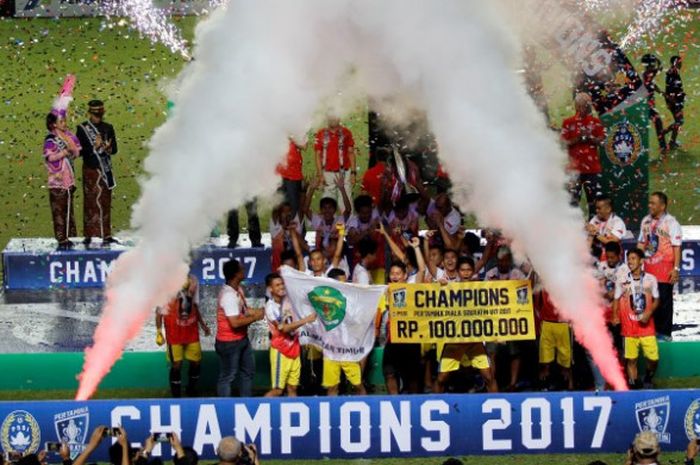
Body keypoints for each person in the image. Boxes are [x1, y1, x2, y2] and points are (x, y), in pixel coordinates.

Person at [215, 259, 265, 397]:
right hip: (229, 343)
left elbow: (245, 311)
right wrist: (255, 317)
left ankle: (246, 403)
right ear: (236, 274)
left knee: (248, 371)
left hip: (241, 339)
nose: (244, 270)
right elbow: (235, 323)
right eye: (241, 269)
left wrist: (260, 311)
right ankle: (224, 409)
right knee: (228, 377)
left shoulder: (238, 290)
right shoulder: (229, 296)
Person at [155, 275, 210, 397]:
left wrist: (203, 324)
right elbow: (159, 312)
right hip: (174, 333)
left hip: (191, 331)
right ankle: (176, 395)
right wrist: (159, 331)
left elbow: (195, 306)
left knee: (196, 362)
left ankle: (191, 389)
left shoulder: (194, 281)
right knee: (177, 365)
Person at [637, 192, 682, 340]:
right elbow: (641, 243)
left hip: (664, 272)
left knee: (663, 303)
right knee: (648, 302)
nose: (650, 205)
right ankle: (651, 333)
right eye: (649, 203)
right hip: (648, 272)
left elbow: (676, 247)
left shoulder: (671, 223)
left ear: (662, 206)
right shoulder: (645, 221)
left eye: (653, 203)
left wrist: (675, 269)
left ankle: (665, 335)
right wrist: (637, 262)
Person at [263, 273, 316, 397]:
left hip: (294, 349)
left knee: (293, 388)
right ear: (270, 289)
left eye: (282, 284)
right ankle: (260, 410)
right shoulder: (270, 307)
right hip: (280, 351)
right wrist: (306, 320)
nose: (281, 287)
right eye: (277, 285)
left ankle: (293, 416)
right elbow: (284, 328)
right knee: (278, 390)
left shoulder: (289, 300)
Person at [613, 248, 659, 389]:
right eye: (629, 259)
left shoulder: (651, 279)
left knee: (653, 359)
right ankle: (634, 386)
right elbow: (616, 299)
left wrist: (648, 313)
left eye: (633, 258)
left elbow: (656, 299)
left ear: (641, 261)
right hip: (629, 328)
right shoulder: (622, 280)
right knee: (631, 359)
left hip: (647, 328)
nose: (630, 261)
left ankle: (648, 377)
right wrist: (615, 315)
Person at [75, 100, 118, 248]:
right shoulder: (82, 129)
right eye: (95, 114)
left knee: (105, 202)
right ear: (90, 114)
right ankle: (89, 235)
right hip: (90, 170)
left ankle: (106, 234)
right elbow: (80, 152)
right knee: (90, 203)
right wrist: (95, 146)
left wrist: (107, 148)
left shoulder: (108, 128)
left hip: (105, 170)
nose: (97, 116)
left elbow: (114, 150)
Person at [323, 269, 367, 396]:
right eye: (343, 282)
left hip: (348, 350)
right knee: (332, 387)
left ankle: (366, 413)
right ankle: (331, 415)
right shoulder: (323, 301)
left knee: (358, 385)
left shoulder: (352, 301)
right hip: (330, 351)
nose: (346, 284)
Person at [561, 93, 605, 218]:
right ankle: (574, 229)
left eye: (588, 104)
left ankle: (593, 228)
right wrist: (578, 138)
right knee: (573, 202)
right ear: (576, 105)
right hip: (574, 169)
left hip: (592, 169)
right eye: (583, 104)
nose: (586, 107)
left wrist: (590, 137)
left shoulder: (595, 122)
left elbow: (601, 141)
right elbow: (564, 143)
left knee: (594, 202)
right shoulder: (568, 122)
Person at [44, 111, 81, 250]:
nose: (65, 123)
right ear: (54, 124)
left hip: (69, 179)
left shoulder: (69, 136)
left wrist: (71, 146)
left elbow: (77, 152)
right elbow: (49, 157)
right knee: (59, 212)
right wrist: (63, 153)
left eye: (65, 121)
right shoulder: (50, 139)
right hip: (57, 181)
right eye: (61, 121)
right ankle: (62, 239)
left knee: (69, 211)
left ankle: (71, 237)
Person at [535, 286, 573, 391]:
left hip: (563, 322)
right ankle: (544, 386)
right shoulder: (543, 279)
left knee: (566, 360)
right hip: (547, 322)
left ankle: (568, 387)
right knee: (544, 360)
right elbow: (537, 302)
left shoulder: (567, 280)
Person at [314, 116, 357, 201]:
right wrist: (320, 174)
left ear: (339, 118)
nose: (332, 119)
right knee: (327, 202)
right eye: (330, 116)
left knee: (346, 201)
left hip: (344, 173)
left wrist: (353, 173)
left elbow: (351, 153)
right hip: (327, 174)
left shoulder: (346, 132)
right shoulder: (321, 133)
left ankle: (347, 214)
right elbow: (317, 155)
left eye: (334, 116)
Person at [641, 53, 667, 153]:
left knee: (657, 123)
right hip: (648, 105)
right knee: (658, 123)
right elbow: (661, 66)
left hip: (647, 104)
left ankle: (662, 147)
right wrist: (657, 58)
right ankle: (663, 147)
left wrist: (661, 92)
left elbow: (652, 85)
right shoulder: (649, 73)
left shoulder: (646, 74)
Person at [276, 137, 306, 215]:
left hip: (293, 176)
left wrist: (291, 137)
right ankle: (282, 226)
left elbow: (304, 146)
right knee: (279, 206)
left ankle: (297, 226)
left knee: (294, 208)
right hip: (278, 175)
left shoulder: (296, 129)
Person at [663, 55, 685, 150]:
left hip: (675, 100)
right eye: (679, 61)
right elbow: (671, 89)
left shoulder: (673, 71)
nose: (681, 63)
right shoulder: (672, 73)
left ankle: (672, 142)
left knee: (679, 121)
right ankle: (662, 133)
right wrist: (674, 101)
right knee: (679, 121)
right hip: (674, 101)